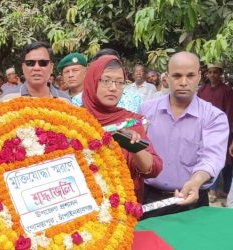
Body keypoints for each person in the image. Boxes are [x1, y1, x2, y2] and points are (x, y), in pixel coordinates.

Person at [140, 52, 229, 218]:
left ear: (199, 77)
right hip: (148, 198)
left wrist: (195, 183)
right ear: (166, 78)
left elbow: (212, 158)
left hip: (192, 200)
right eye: (177, 76)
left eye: (190, 76)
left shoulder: (213, 116)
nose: (183, 82)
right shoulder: (146, 110)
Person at [81, 55, 162, 203]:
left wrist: (134, 147)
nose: (113, 88)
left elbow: (153, 169)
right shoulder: (73, 120)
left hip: (123, 209)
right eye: (106, 81)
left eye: (119, 82)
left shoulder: (129, 122)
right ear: (92, 81)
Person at [197, 64, 233, 202]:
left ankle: (224, 190)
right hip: (204, 130)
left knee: (226, 161)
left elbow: (229, 111)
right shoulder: (203, 90)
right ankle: (211, 189)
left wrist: (229, 132)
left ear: (220, 74)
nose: (212, 75)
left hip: (223, 130)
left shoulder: (227, 90)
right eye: (210, 72)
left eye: (215, 72)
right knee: (208, 157)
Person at [64, 50, 143, 113]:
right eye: (106, 80)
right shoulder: (77, 102)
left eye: (114, 63)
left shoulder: (135, 99)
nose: (113, 88)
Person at [0, 41, 70, 102]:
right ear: (23, 68)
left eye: (43, 63)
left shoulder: (65, 100)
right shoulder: (8, 99)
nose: (36, 68)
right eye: (30, 63)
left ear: (51, 68)